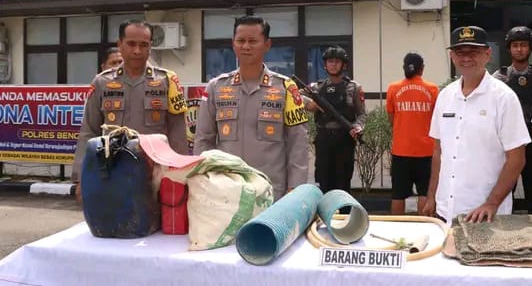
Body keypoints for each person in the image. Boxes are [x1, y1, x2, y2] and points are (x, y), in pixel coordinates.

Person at [193, 16, 309, 201]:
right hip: (226, 193)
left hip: (271, 193)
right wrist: (202, 181)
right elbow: (203, 140)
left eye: (253, 41)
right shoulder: (216, 88)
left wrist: (295, 188)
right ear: (233, 44)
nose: (246, 46)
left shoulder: (286, 88)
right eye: (241, 41)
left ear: (267, 44)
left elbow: (298, 144)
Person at [422, 26, 528, 223]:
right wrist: (431, 197)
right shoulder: (445, 96)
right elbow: (438, 151)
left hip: (485, 215)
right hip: (445, 210)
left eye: (473, 52)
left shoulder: (504, 98)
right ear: (452, 56)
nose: (466, 58)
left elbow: (517, 158)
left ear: (487, 54)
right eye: (460, 52)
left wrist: (492, 203)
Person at [73, 20, 189, 198]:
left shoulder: (167, 81)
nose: (137, 51)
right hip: (112, 172)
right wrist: (82, 177)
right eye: (131, 44)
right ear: (120, 44)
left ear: (151, 46)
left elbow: (177, 133)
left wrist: (181, 175)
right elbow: (89, 131)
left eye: (144, 45)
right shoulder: (102, 82)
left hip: (155, 174)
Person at [493, 26, 532, 214]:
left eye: (523, 45)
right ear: (509, 48)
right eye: (515, 45)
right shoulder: (500, 77)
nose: (519, 49)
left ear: (530, 47)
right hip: (508, 138)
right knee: (506, 183)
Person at [303, 45, 366, 194]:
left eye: (337, 61)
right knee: (323, 182)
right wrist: (308, 104)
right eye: (330, 61)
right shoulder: (316, 87)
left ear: (344, 65)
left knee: (343, 184)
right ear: (325, 65)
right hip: (324, 139)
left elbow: (362, 114)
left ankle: (343, 209)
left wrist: (357, 127)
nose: (333, 64)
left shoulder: (354, 88)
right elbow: (295, 96)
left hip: (344, 139)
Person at [386, 52, 439, 215]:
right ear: (422, 69)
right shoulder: (432, 89)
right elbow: (436, 120)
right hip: (426, 151)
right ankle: (424, 226)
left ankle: (397, 229)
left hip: (401, 150)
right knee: (425, 193)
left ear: (404, 68)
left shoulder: (393, 88)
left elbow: (391, 118)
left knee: (398, 195)